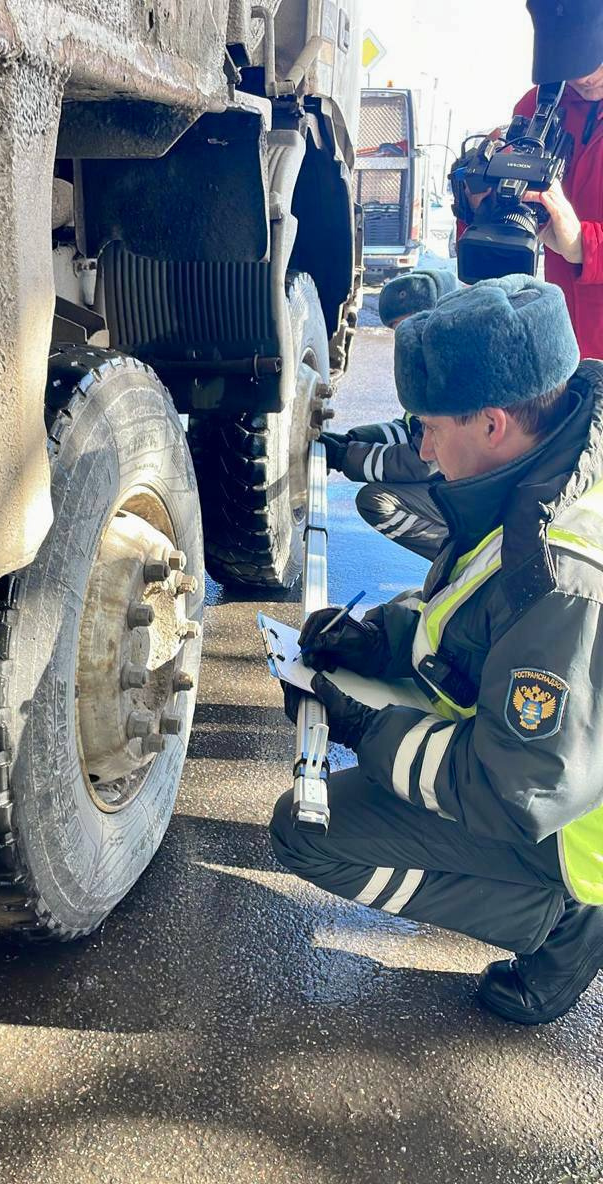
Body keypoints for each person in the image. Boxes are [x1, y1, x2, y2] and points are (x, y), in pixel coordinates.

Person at [271, 275, 603, 1025]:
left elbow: (514, 791)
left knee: (306, 831)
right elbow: (472, 612)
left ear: (490, 424)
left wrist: (364, 729)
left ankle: (562, 923)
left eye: (428, 426)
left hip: (568, 826)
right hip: (559, 764)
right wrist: (382, 641)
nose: (418, 446)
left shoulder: (564, 574)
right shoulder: (552, 464)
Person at [465, 0, 603, 358]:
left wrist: (583, 245)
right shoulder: (538, 107)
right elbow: (500, 241)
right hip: (561, 345)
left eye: (592, 58)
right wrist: (481, 201)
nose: (584, 77)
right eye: (570, 62)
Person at [321, 268, 456, 560]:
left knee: (376, 501)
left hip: (475, 495)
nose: (403, 339)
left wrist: (345, 458)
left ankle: (459, 555)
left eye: (409, 326)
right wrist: (354, 439)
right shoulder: (433, 360)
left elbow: (424, 462)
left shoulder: (448, 373)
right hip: (462, 479)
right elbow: (410, 429)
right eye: (397, 331)